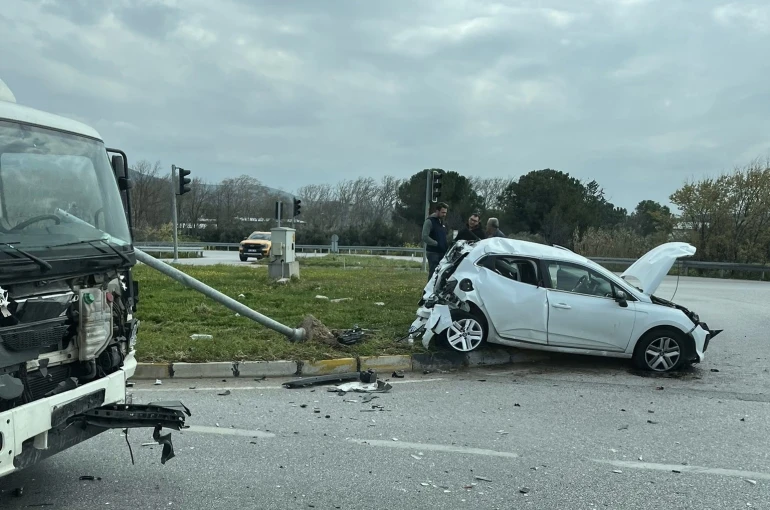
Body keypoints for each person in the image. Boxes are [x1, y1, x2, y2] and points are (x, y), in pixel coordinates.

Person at [422, 202, 449, 278]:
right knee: (433, 274)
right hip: (433, 252)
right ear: (437, 211)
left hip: (442, 252)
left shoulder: (442, 222)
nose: (444, 214)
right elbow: (424, 236)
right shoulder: (429, 221)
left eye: (445, 213)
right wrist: (436, 243)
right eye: (443, 212)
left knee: (441, 274)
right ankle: (429, 289)